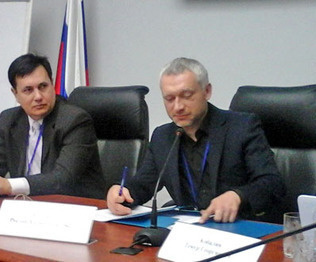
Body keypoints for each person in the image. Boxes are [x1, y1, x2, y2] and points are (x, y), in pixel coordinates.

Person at [107, 57, 285, 223]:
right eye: (169, 99)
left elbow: (272, 183)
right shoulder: (162, 136)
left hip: (239, 226)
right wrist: (121, 192)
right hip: (189, 230)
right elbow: (143, 185)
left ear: (207, 91)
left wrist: (238, 195)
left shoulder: (242, 127)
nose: (178, 106)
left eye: (186, 95)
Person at [0, 54, 105, 199]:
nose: (38, 96)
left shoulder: (75, 121)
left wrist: (10, 186)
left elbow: (63, 179)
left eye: (43, 86)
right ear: (15, 94)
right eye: (28, 90)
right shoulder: (8, 121)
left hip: (76, 207)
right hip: (26, 208)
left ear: (52, 83)